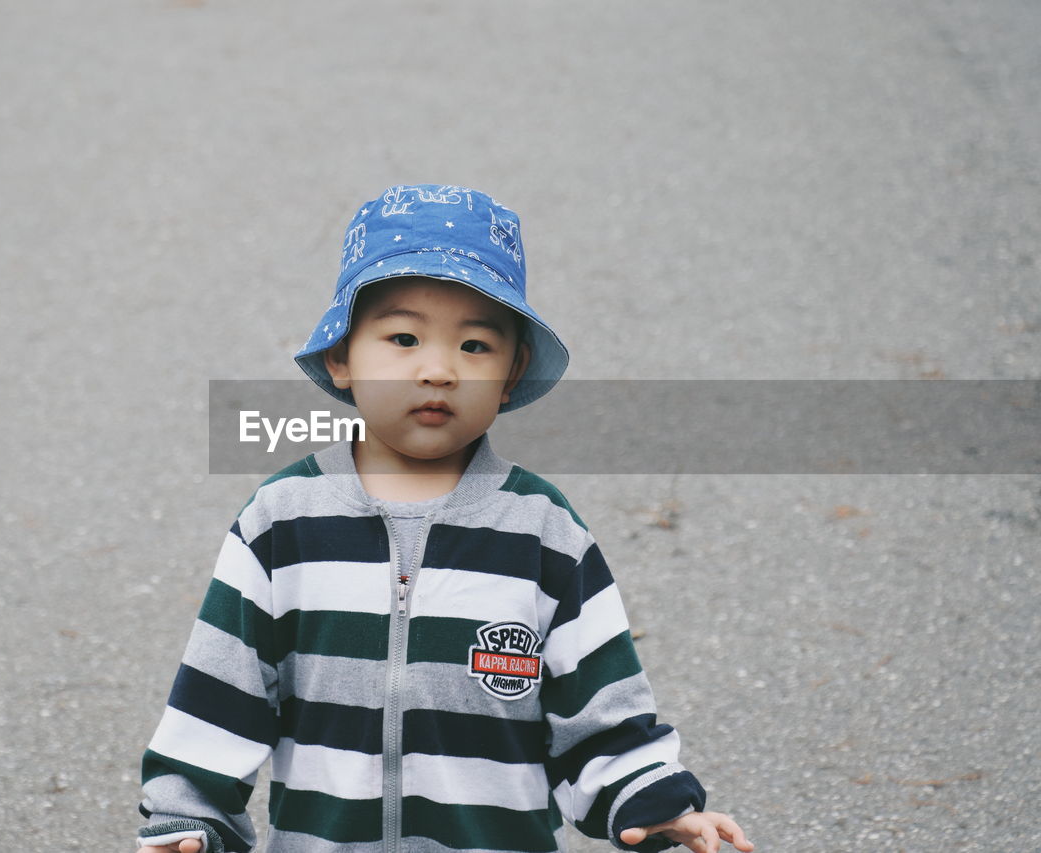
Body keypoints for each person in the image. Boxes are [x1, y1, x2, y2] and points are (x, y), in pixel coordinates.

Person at [135, 185, 754, 853]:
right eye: (403, 337)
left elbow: (602, 719)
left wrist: (657, 804)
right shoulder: (283, 522)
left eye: (477, 346)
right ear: (342, 355)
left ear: (513, 372)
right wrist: (189, 821)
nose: (439, 369)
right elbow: (217, 699)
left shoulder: (544, 533)